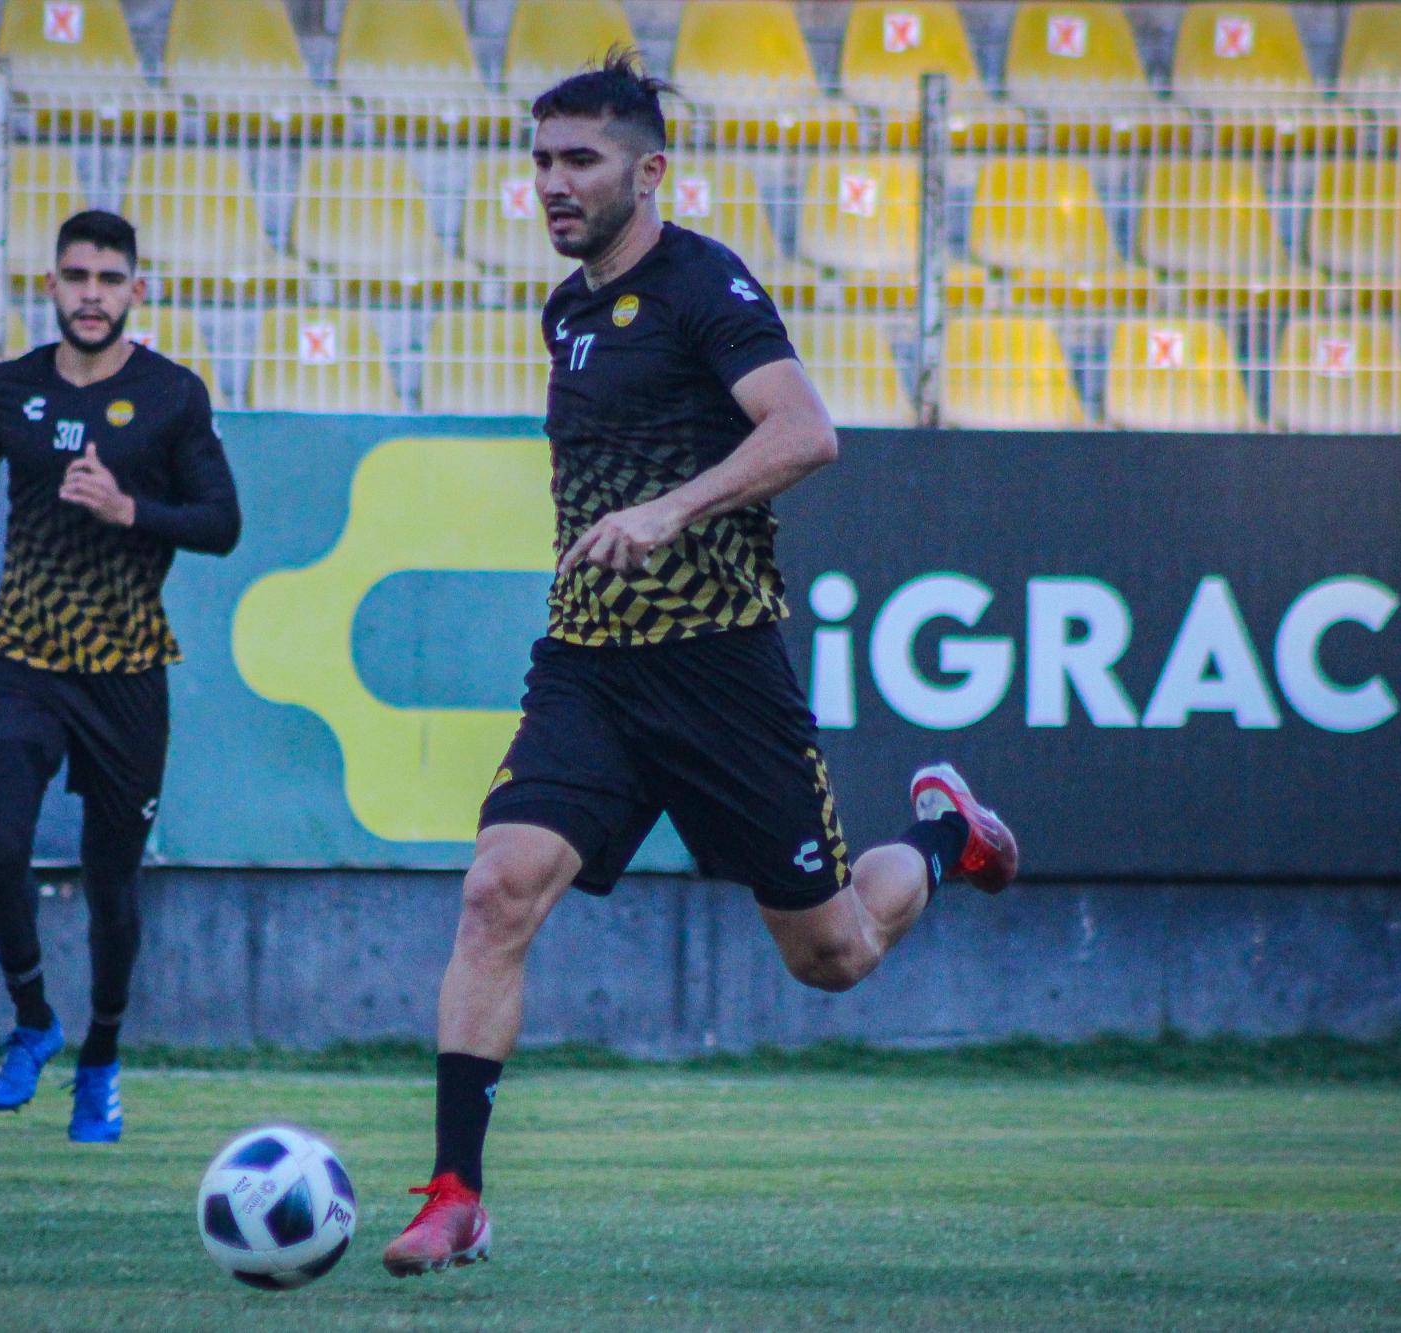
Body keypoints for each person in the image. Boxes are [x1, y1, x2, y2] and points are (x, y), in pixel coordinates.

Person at [382, 54, 1018, 1275]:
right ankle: (456, 1192)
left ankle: (948, 834)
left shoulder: (703, 285)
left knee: (831, 955)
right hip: (588, 666)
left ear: (648, 171)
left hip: (718, 672)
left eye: (580, 161)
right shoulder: (566, 311)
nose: (552, 184)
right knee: (495, 891)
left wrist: (671, 510)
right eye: (540, 161)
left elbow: (805, 431)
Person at [0, 210, 240, 1143]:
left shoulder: (172, 395)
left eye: (110, 280)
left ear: (135, 292)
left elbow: (221, 522)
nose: (92, 295)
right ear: (52, 285)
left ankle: (101, 1057)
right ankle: (34, 1020)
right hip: (22, 656)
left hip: (125, 670)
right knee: (2, 849)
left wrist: (127, 508)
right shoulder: (12, 387)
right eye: (77, 277)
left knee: (112, 886)